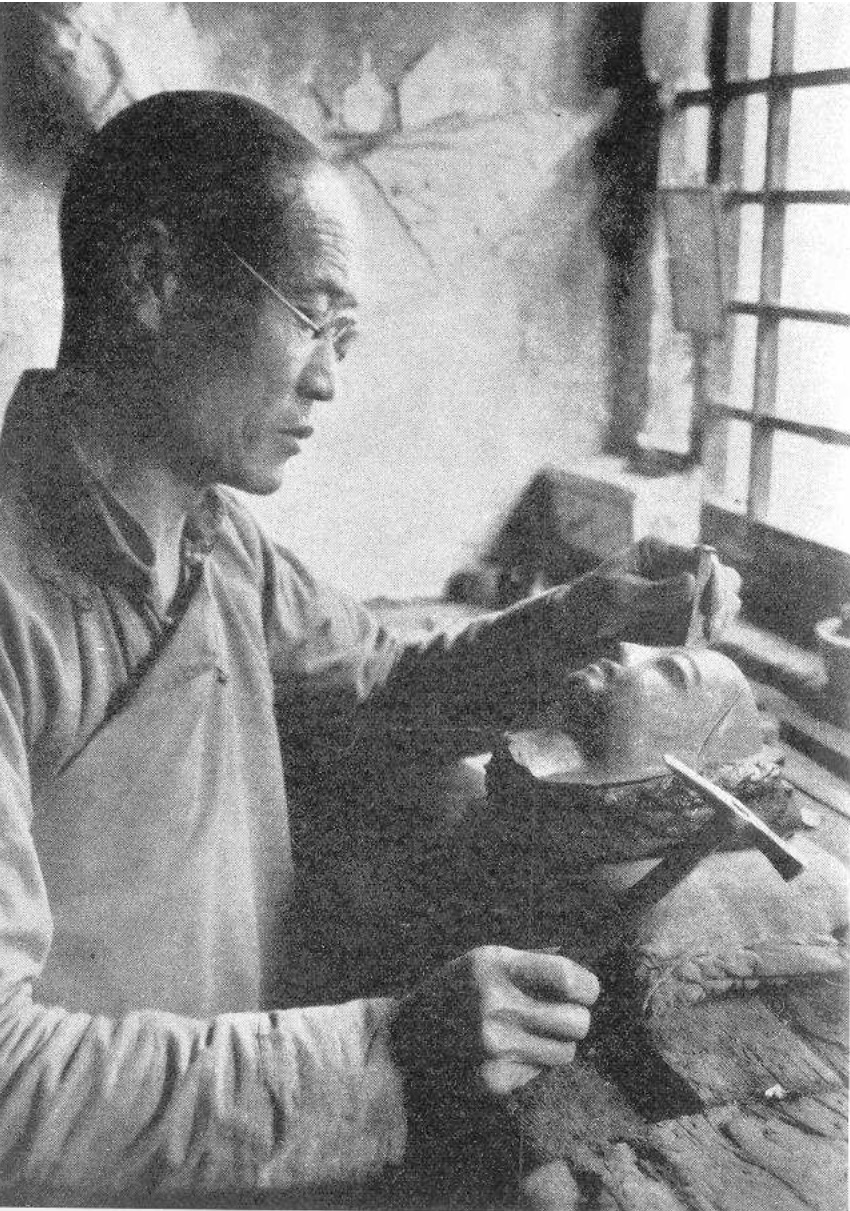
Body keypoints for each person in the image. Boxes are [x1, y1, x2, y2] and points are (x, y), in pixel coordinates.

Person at [0, 91, 742, 1201]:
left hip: (223, 1140)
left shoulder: (218, 543)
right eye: (311, 318)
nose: (329, 379)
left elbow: (380, 694)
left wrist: (590, 613)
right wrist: (386, 1055)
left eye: (343, 339)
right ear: (152, 279)